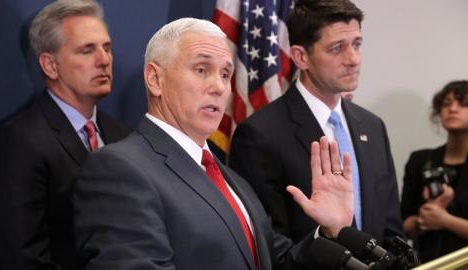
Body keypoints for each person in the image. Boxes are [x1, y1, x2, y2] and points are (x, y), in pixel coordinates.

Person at [73, 17, 356, 269]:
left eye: (224, 74)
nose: (219, 87)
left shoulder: (230, 178)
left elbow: (276, 261)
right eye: (201, 69)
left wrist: (327, 232)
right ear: (155, 79)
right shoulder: (119, 170)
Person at [229, 0, 403, 246]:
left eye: (357, 44)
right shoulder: (259, 135)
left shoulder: (373, 126)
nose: (353, 59)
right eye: (337, 48)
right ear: (301, 57)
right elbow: (269, 245)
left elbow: (392, 231)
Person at [0, 0, 130, 269]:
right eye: (87, 50)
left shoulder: (123, 136)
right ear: (50, 65)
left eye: (107, 48)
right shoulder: (17, 143)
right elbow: (21, 259)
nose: (104, 60)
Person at [401, 80, 468, 262]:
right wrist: (424, 218)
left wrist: (445, 220)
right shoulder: (420, 161)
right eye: (446, 103)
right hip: (427, 262)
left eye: (463, 103)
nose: (453, 109)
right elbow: (403, 221)